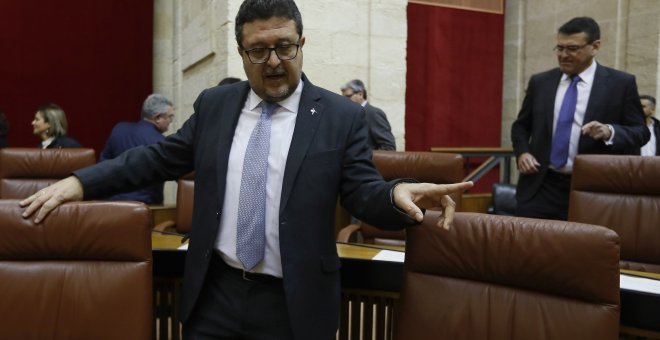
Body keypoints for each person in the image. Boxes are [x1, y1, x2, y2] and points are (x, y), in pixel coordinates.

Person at [20, 1, 472, 338]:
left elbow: (361, 190)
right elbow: (156, 158)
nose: (273, 61)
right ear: (240, 52)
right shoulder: (216, 106)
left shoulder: (340, 116)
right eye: (258, 50)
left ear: (301, 44)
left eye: (284, 46)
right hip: (214, 295)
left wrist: (397, 194)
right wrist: (81, 181)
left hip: (294, 306)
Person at [511, 17, 649, 221]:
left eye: (572, 49)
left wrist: (610, 131)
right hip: (540, 187)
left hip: (594, 189)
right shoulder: (541, 82)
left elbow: (641, 132)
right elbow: (521, 127)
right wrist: (523, 152)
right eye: (559, 48)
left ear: (595, 46)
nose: (563, 55)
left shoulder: (620, 84)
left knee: (582, 251)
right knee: (530, 249)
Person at [99, 94, 174, 204]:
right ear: (158, 118)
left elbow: (102, 165)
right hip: (146, 207)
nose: (170, 121)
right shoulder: (162, 142)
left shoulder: (119, 129)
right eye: (170, 117)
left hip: (111, 204)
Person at [341, 79, 396, 150]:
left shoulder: (373, 113)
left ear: (360, 94)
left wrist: (365, 157)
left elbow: (389, 147)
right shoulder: (350, 114)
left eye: (348, 96)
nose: (344, 100)